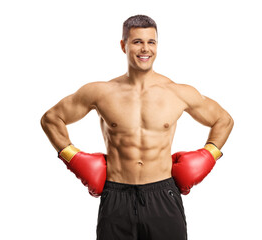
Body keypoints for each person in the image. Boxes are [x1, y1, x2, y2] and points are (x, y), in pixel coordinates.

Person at [41, 14, 233, 240]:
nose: (145, 49)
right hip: (116, 196)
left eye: (151, 42)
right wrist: (72, 157)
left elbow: (223, 120)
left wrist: (208, 155)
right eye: (137, 42)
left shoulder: (178, 92)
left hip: (163, 194)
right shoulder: (101, 92)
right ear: (123, 45)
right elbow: (51, 119)